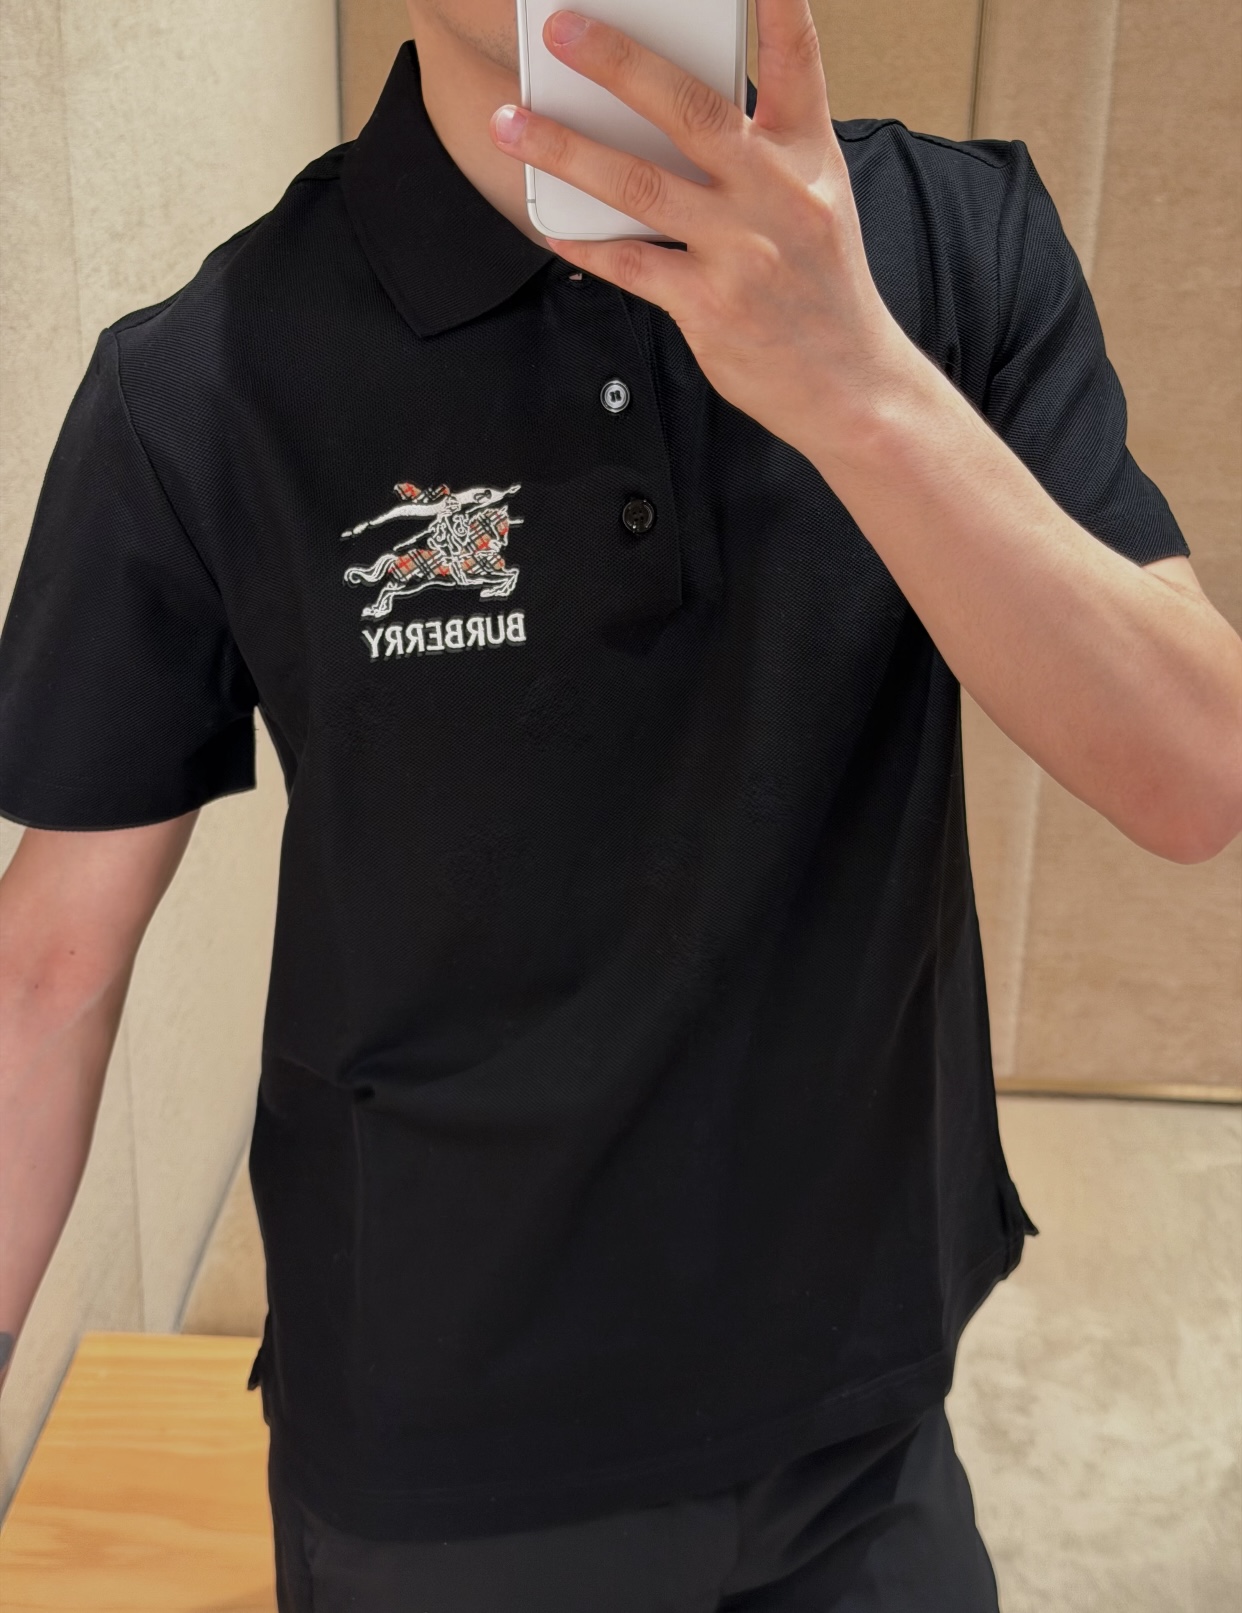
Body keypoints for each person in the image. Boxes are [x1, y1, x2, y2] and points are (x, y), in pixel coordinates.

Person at [0, 3, 1238, 1607]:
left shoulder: (948, 243)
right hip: (449, 1454)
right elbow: (50, 969)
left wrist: (859, 385)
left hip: (861, 1402)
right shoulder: (202, 381)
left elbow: (1192, 775)